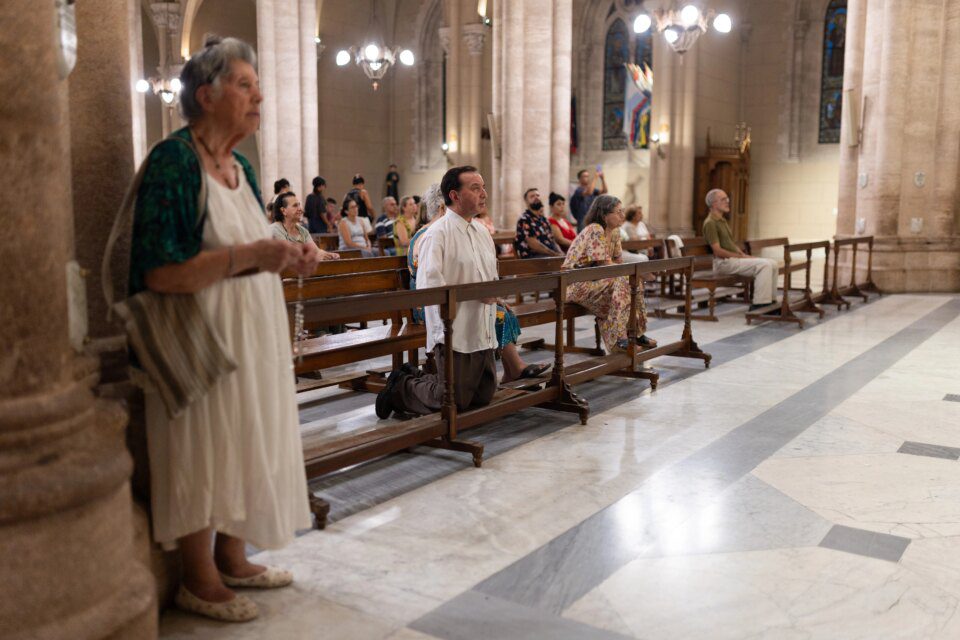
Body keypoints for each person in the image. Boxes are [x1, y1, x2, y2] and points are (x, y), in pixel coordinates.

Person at [127, 36, 317, 623]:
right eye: (244, 84)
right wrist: (253, 257)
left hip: (252, 334)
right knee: (201, 446)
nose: (258, 94)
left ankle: (234, 555)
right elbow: (158, 271)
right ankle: (197, 576)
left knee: (246, 435)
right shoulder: (175, 161)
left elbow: (255, 247)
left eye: (256, 84)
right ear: (205, 95)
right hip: (199, 336)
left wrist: (290, 256)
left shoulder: (242, 167)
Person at [376, 166, 499, 418]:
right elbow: (429, 290)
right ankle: (401, 387)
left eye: (483, 187)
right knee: (452, 401)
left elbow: (492, 276)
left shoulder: (483, 233)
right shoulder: (438, 234)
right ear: (454, 195)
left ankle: (416, 376)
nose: (483, 193)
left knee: (484, 395)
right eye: (475, 188)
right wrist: (444, 329)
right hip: (455, 329)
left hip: (481, 325)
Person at [562, 194, 657, 352]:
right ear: (604, 215)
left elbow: (617, 263)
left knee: (635, 282)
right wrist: (627, 274)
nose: (622, 215)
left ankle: (637, 333)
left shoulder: (614, 232)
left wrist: (632, 275)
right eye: (618, 211)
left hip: (595, 280)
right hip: (574, 283)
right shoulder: (595, 229)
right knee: (623, 282)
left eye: (623, 211)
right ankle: (619, 338)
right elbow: (604, 265)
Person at [702, 189, 779, 312]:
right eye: (723, 199)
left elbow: (730, 244)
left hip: (731, 260)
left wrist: (743, 254)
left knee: (772, 263)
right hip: (723, 263)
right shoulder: (710, 223)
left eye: (727, 198)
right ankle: (760, 304)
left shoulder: (722, 221)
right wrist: (742, 257)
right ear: (714, 204)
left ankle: (771, 301)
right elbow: (718, 251)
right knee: (764, 265)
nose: (728, 201)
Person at [271, 192, 339, 259]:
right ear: (283, 210)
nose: (300, 209)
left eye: (299, 205)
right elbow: (288, 254)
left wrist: (329, 255)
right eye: (295, 206)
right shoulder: (275, 229)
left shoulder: (303, 231)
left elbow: (315, 251)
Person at [515, 188, 563, 258]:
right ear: (526, 201)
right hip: (533, 258)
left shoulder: (544, 219)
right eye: (532, 196)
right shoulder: (524, 219)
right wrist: (554, 254)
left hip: (549, 256)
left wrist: (561, 253)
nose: (536, 197)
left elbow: (552, 240)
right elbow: (533, 244)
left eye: (537, 195)